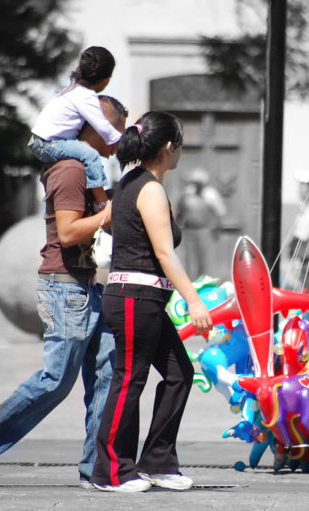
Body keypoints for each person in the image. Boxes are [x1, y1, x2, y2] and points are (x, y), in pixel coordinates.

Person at [0, 95, 128, 489]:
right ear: (91, 126)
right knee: (56, 379)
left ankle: (96, 469)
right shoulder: (70, 171)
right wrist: (111, 212)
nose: (115, 143)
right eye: (112, 132)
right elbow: (68, 232)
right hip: (65, 287)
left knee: (107, 373)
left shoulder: (89, 173)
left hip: (85, 283)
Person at [90, 111, 213, 493]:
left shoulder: (131, 183)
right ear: (168, 147)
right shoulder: (149, 189)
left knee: (180, 373)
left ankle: (157, 463)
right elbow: (164, 252)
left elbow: (114, 224)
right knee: (129, 381)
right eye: (181, 143)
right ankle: (109, 472)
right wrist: (195, 302)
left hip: (140, 299)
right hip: (134, 297)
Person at [28, 46, 121, 211]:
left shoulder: (73, 88)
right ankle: (102, 202)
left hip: (41, 141)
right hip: (48, 143)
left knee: (82, 152)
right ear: (107, 80)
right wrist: (122, 140)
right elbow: (103, 127)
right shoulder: (86, 96)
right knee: (90, 154)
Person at [175, 168, 227, 279]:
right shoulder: (187, 193)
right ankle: (191, 282)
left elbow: (220, 212)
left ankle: (206, 282)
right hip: (190, 230)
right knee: (190, 260)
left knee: (206, 259)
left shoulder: (211, 194)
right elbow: (180, 210)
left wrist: (217, 229)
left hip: (205, 230)